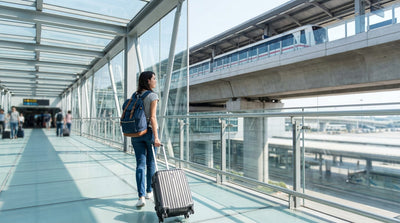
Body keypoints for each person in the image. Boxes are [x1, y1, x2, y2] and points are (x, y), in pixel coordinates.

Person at [131, 71, 161, 207]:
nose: (155, 81)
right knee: (151, 163)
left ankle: (141, 197)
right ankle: (149, 191)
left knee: (140, 165)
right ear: (148, 81)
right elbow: (153, 118)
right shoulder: (153, 96)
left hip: (136, 133)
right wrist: (156, 137)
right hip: (149, 132)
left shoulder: (134, 95)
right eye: (154, 78)